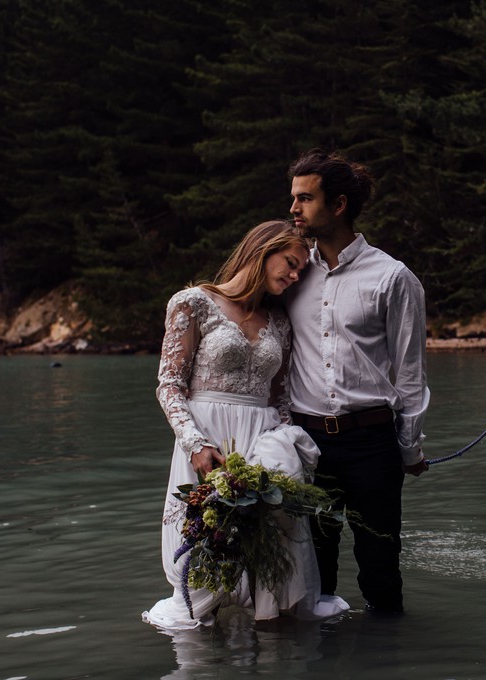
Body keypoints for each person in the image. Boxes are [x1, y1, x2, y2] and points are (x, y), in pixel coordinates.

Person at [142, 219, 349, 630]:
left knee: (270, 550)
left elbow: (280, 397)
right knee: (208, 552)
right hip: (207, 439)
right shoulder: (192, 302)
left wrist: (296, 462)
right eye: (290, 263)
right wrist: (195, 444)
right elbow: (169, 386)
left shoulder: (279, 321)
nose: (293, 276)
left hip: (264, 440)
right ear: (262, 250)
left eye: (300, 272)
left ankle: (272, 650)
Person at [284, 148, 430, 615]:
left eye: (305, 199)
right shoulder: (290, 273)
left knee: (381, 569)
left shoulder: (393, 278)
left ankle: (386, 658)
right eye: (294, 198)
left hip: (372, 441)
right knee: (311, 571)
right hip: (305, 443)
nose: (293, 209)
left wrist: (409, 449)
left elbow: (409, 376)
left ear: (339, 204)